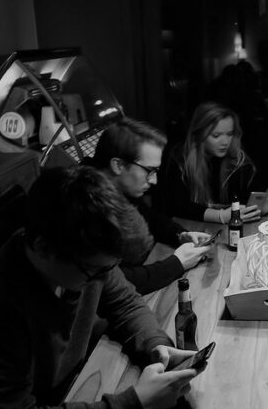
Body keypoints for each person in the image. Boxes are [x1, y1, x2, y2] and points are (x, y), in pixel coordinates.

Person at [0, 166, 204, 409]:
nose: (101, 277)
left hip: (66, 393)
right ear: (43, 248)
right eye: (95, 272)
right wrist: (136, 404)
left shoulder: (83, 257)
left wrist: (156, 345)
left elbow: (125, 302)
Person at [90, 117, 211, 294]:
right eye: (149, 171)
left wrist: (180, 235)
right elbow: (115, 281)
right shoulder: (89, 207)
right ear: (118, 165)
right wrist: (177, 263)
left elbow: (151, 218)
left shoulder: (118, 190)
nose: (154, 181)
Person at [154, 101, 268, 223]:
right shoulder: (179, 160)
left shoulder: (237, 159)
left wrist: (260, 207)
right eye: (216, 135)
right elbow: (177, 206)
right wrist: (220, 216)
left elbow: (245, 199)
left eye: (229, 134)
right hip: (188, 230)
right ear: (199, 134)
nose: (225, 142)